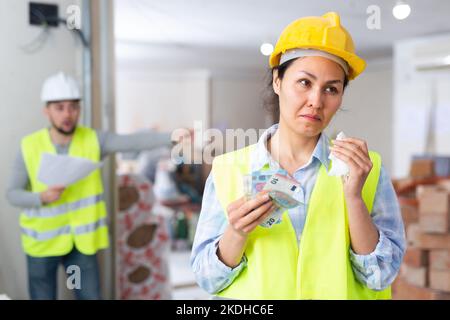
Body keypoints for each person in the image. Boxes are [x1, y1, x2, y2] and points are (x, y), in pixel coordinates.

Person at [190, 12, 405, 299]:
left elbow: (381, 275)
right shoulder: (227, 170)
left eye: (331, 88)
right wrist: (237, 233)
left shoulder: (368, 169)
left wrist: (354, 199)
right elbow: (207, 279)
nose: (316, 101)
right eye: (305, 82)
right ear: (278, 81)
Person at [6, 72, 173, 300]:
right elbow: (12, 194)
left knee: (88, 297)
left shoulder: (94, 140)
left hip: (81, 246)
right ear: (47, 111)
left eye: (73, 107)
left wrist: (172, 137)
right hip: (42, 247)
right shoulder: (29, 146)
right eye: (60, 107)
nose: (68, 114)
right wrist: (41, 197)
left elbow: (131, 141)